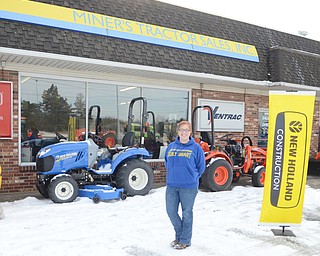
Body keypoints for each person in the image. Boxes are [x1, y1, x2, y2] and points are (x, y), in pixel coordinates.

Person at [164, 121, 206, 250]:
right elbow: (166, 162)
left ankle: (185, 240)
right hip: (172, 185)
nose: (184, 132)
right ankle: (179, 235)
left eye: (186, 130)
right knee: (171, 211)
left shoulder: (196, 148)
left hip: (188, 187)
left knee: (187, 213)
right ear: (178, 132)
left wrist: (193, 177)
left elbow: (201, 166)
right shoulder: (171, 146)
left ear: (190, 132)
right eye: (181, 130)